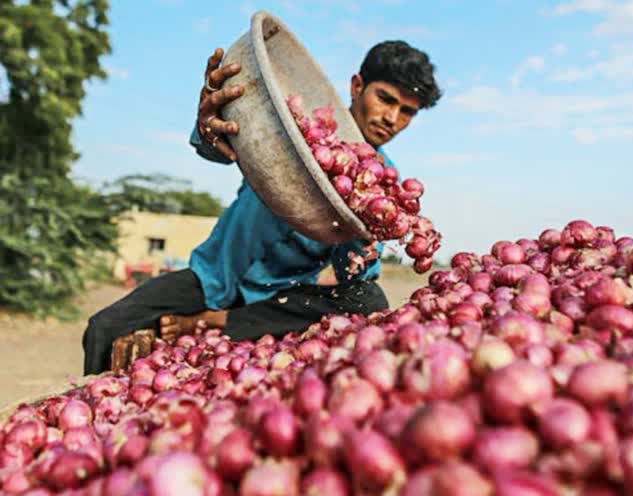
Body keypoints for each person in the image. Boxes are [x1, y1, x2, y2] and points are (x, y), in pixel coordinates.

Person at [81, 40, 442, 375]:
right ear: (357, 86)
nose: (391, 118)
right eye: (385, 99)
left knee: (369, 298)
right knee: (104, 327)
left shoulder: (384, 184)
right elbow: (221, 145)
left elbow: (354, 276)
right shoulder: (297, 127)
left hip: (281, 295)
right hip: (214, 277)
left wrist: (364, 230)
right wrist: (208, 125)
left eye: (406, 111)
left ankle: (218, 321)